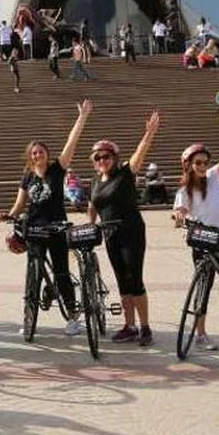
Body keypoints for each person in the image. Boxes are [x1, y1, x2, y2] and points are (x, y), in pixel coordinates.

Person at [0, 100, 93, 337]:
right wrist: (10, 216)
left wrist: (82, 118)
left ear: (47, 154)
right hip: (35, 230)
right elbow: (20, 204)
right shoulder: (27, 176)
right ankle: (29, 319)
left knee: (61, 272)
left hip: (57, 228)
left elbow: (71, 144)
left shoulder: (56, 170)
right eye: (34, 153)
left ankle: (72, 316)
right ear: (30, 157)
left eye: (41, 151)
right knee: (34, 274)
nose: (38, 155)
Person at [88, 111, 160, 346]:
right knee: (122, 280)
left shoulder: (125, 173)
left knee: (135, 279)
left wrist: (149, 133)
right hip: (110, 233)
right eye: (97, 157)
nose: (102, 160)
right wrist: (91, 226)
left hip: (131, 231)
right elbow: (93, 205)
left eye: (106, 156)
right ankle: (129, 326)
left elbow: (140, 155)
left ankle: (146, 327)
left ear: (115, 157)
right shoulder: (96, 181)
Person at [173, 143, 219, 351]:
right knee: (203, 288)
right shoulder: (184, 191)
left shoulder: (213, 177)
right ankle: (201, 335)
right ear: (188, 165)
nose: (203, 166)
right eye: (198, 163)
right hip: (203, 242)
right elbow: (179, 210)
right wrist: (179, 216)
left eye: (205, 162)